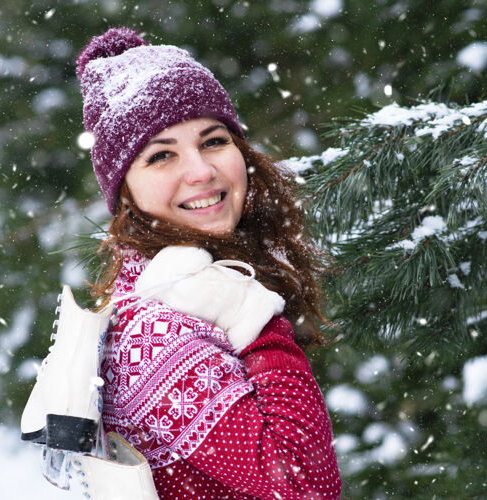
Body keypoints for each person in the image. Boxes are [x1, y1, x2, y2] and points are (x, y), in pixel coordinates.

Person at [75, 27, 342, 500]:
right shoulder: (156, 334)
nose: (200, 171)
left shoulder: (195, 287)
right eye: (161, 155)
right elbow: (303, 486)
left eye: (214, 140)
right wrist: (254, 319)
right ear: (125, 194)